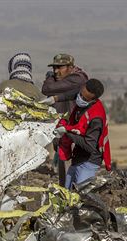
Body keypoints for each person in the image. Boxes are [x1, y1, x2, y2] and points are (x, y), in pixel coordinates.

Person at [39, 53, 88, 187]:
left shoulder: (78, 78)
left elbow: (47, 88)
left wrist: (49, 77)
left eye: (60, 67)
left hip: (76, 134)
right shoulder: (61, 82)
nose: (56, 71)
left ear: (71, 67)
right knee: (64, 177)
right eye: (54, 68)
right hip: (62, 133)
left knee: (77, 175)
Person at [54, 79, 111, 190]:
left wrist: (67, 132)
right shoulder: (83, 100)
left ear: (93, 100)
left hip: (88, 162)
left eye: (84, 98)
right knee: (67, 193)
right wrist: (54, 99)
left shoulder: (96, 118)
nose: (79, 98)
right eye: (80, 94)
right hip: (78, 159)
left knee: (81, 197)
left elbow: (89, 146)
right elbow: (72, 94)